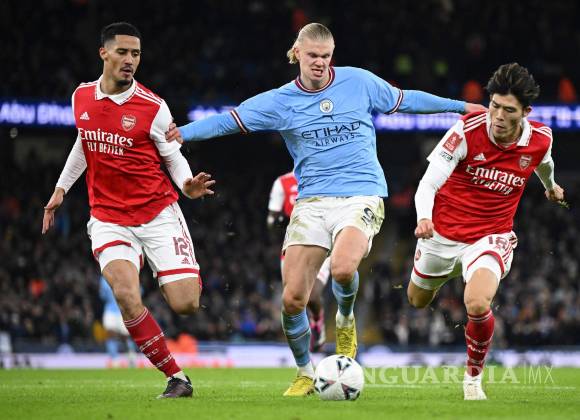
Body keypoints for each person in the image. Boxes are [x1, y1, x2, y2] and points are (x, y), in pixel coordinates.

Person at [165, 22, 485, 396]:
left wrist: (460, 107)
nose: (320, 62)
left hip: (361, 195)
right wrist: (184, 133)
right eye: (313, 56)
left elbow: (406, 99)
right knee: (292, 299)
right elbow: (229, 121)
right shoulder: (280, 102)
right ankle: (304, 372)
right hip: (312, 202)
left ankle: (345, 318)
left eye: (326, 56)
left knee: (343, 268)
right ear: (297, 54)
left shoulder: (359, 82)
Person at [42, 22, 215, 399]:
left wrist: (187, 185)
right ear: (103, 53)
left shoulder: (153, 107)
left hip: (157, 213)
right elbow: (84, 142)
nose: (130, 60)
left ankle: (172, 270)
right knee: (124, 293)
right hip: (108, 218)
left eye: (136, 54)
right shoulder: (81, 97)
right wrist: (60, 189)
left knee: (186, 304)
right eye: (122, 52)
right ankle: (176, 377)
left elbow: (173, 156)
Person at [407, 63, 565, 400]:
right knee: (416, 300)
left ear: (526, 112)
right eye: (494, 106)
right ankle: (442, 273)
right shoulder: (466, 131)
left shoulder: (540, 138)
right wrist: (423, 218)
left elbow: (545, 163)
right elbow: (428, 184)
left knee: (477, 303)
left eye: (509, 110)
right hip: (441, 234)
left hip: (490, 236)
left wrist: (551, 187)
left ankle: (473, 379)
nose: (498, 116)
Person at [268, 171, 331, 352]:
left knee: (312, 295)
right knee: (293, 300)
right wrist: (279, 221)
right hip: (293, 245)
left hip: (322, 243)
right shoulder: (282, 183)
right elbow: (271, 220)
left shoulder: (328, 175)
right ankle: (303, 349)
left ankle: (317, 320)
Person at [99, 276, 137, 368]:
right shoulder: (103, 278)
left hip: (123, 310)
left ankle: (131, 356)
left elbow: (138, 291)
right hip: (110, 310)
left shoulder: (125, 274)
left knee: (126, 336)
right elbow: (102, 295)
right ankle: (114, 359)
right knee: (110, 334)